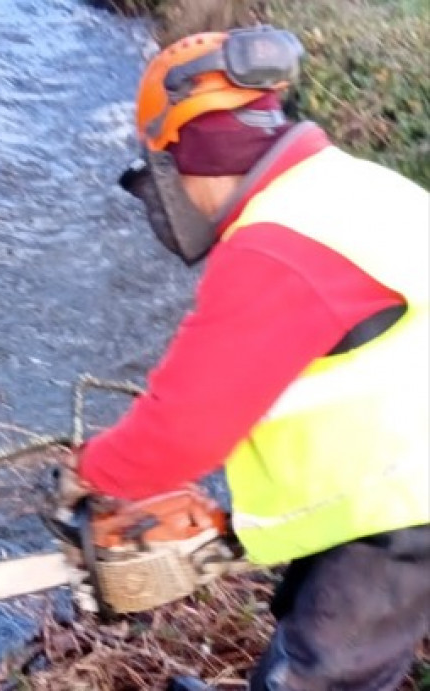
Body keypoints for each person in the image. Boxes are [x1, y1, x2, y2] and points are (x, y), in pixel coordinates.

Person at [62, 26, 430, 691]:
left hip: (408, 503)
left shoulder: (276, 243)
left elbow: (183, 428)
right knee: (313, 615)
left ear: (180, 157)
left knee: (319, 677)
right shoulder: (347, 188)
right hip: (393, 483)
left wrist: (95, 470)